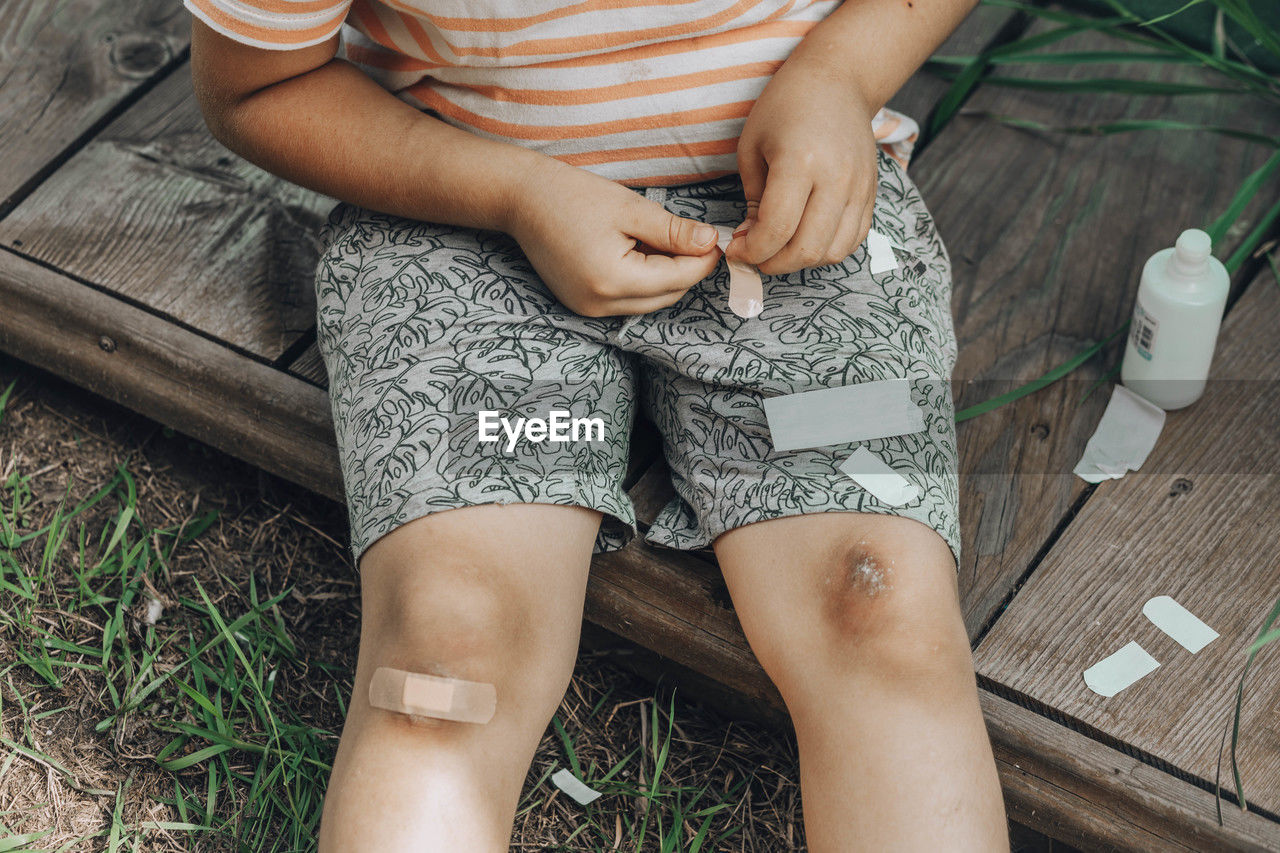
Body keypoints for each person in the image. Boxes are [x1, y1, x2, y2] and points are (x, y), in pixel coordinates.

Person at [185, 0, 1008, 848]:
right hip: (462, 221)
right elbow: (254, 89)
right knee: (449, 649)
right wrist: (515, 193)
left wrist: (841, 73)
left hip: (798, 224)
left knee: (876, 606)